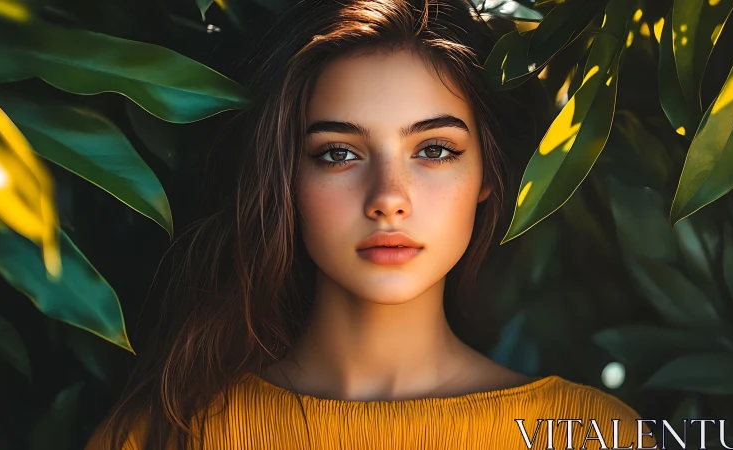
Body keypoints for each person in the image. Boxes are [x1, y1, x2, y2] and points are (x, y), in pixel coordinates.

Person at [87, 0, 656, 448]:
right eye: (338, 153)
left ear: (488, 173)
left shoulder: (591, 434)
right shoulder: (161, 437)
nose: (388, 199)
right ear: (285, 176)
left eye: (434, 150)